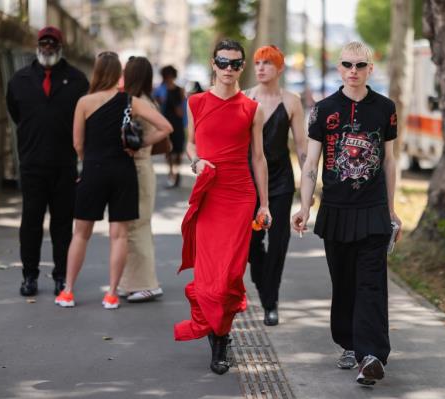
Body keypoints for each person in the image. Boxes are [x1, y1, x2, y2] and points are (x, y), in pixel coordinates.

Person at [291, 41, 402, 385]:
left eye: (360, 65)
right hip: (336, 210)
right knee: (344, 282)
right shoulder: (323, 110)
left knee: (371, 283)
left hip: (373, 210)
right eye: (347, 65)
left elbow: (390, 161)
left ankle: (371, 355)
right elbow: (311, 163)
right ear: (339, 69)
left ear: (371, 69)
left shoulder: (385, 108)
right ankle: (349, 344)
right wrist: (304, 206)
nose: (353, 71)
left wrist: (392, 209)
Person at [175, 39, 271, 375]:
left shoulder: (252, 108)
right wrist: (196, 161)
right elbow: (190, 143)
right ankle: (217, 338)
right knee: (209, 276)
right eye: (223, 62)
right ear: (213, 64)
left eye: (235, 63)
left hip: (241, 196)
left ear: (242, 67)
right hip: (210, 195)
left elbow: (258, 158)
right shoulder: (196, 102)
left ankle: (221, 337)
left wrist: (265, 204)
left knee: (230, 275)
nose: (229, 69)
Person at [54, 51, 172, 310]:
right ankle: (112, 294)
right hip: (124, 171)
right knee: (119, 236)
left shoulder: (84, 102)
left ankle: (68, 290)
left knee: (81, 234)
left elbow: (77, 142)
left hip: (94, 170)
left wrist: (89, 161)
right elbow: (166, 127)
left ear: (96, 72)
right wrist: (139, 143)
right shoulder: (130, 101)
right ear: (118, 72)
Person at [6, 26, 89, 297]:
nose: (48, 47)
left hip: (64, 164)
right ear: (38, 45)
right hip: (31, 164)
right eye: (44, 43)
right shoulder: (19, 80)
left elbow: (83, 121)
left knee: (62, 224)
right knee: (30, 222)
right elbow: (16, 112)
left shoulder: (77, 80)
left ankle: (61, 275)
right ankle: (29, 276)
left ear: (60, 46)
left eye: (53, 43)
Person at [244, 45, 308, 326]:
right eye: (257, 62)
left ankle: (271, 302)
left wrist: (309, 186)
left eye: (267, 63)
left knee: (279, 241)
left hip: (281, 181)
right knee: (251, 243)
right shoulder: (245, 99)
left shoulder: (292, 102)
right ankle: (266, 290)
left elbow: (303, 147)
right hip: (248, 181)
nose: (260, 68)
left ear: (280, 68)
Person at [117, 56, 164, 303]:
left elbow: (165, 129)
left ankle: (146, 284)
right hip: (139, 169)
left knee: (138, 227)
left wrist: (141, 145)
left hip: (139, 169)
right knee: (134, 226)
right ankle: (131, 282)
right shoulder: (145, 100)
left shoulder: (139, 103)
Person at [161, 66, 186, 188]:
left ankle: (176, 172)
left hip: (177, 123)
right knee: (168, 151)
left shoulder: (180, 90)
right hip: (166, 122)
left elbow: (182, 109)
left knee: (178, 151)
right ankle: (172, 173)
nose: (169, 78)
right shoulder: (161, 90)